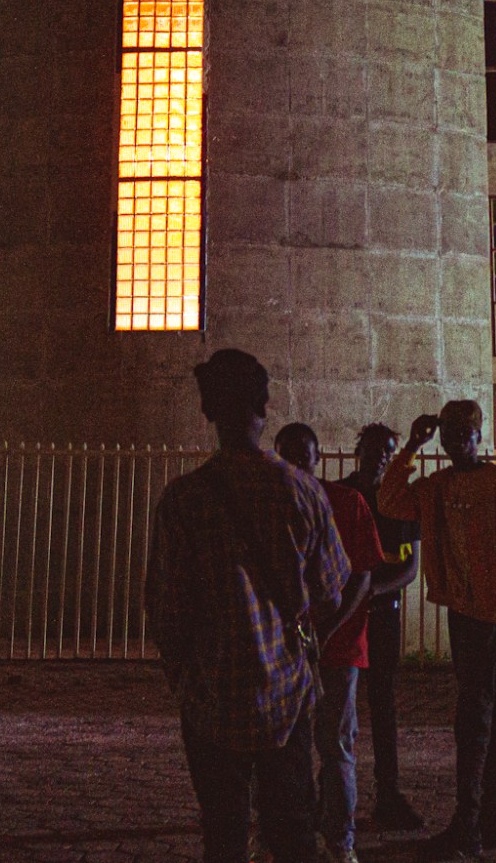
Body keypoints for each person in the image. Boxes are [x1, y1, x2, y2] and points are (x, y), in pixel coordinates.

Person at [146, 350, 353, 863]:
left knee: (223, 835)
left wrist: (184, 676)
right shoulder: (302, 492)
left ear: (207, 410)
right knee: (293, 833)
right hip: (284, 694)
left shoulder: (182, 500)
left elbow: (165, 606)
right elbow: (331, 592)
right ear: (265, 405)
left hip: (212, 696)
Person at [378, 400, 496, 860]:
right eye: (448, 436)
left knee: (475, 720)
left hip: (488, 620)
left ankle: (470, 826)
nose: (455, 444)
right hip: (461, 614)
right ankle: (490, 821)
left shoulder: (494, 482)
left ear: (478, 435)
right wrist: (411, 445)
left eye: (463, 435)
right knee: (487, 717)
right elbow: (390, 501)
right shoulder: (438, 486)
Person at [272, 424, 407, 863]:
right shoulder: (322, 502)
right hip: (315, 644)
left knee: (326, 745)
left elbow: (366, 575)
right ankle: (325, 840)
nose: (295, 464)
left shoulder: (347, 503)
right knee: (321, 746)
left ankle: (335, 839)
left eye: (301, 456)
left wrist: (325, 629)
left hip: (330, 644)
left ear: (317, 458)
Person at [336, 423, 425, 830]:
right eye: (374, 450)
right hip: (345, 617)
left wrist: (366, 592)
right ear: (360, 451)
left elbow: (408, 568)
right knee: (339, 706)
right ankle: (334, 794)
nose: (381, 457)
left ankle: (386, 794)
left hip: (380, 614)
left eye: (388, 451)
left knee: (382, 707)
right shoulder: (342, 494)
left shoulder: (396, 502)